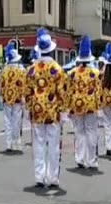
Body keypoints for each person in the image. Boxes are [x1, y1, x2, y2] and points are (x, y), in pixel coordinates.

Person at [25, 28, 66, 188]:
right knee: (54, 145)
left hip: (37, 111)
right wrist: (63, 111)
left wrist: (30, 109)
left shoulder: (31, 69)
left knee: (39, 144)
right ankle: (52, 177)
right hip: (53, 111)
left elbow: (27, 93)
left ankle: (39, 177)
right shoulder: (57, 69)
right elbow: (62, 92)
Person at [67, 35, 101, 170]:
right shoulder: (96, 73)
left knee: (79, 132)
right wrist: (99, 108)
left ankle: (80, 158)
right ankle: (91, 160)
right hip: (91, 106)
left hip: (76, 105)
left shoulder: (72, 73)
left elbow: (68, 92)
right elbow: (98, 92)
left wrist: (68, 107)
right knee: (91, 132)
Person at [0, 43, 25, 152]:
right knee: (16, 120)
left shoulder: (4, 70)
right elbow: (23, 85)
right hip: (17, 98)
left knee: (7, 121)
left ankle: (8, 143)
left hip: (6, 98)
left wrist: (2, 95)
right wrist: (23, 96)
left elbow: (1, 85)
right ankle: (16, 141)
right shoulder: (20, 71)